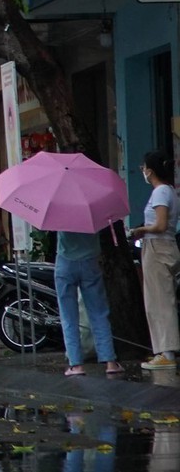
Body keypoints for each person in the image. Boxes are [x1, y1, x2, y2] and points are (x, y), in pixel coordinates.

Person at [129, 151, 180, 371]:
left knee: (159, 301)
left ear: (150, 170)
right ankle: (164, 349)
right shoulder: (169, 191)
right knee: (162, 299)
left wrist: (139, 230)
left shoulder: (160, 192)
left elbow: (159, 225)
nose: (143, 171)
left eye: (144, 167)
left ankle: (167, 352)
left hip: (157, 248)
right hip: (164, 247)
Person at [55, 223, 124, 376]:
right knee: (99, 314)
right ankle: (110, 362)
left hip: (65, 263)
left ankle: (76, 365)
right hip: (90, 262)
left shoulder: (60, 209)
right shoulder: (92, 211)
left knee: (69, 317)